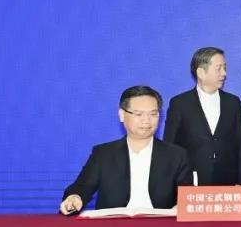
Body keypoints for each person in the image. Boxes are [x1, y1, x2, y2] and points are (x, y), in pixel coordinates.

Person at [59, 85, 192, 214]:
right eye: (139, 114)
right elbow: (81, 187)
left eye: (153, 114)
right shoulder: (103, 154)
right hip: (113, 226)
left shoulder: (176, 155)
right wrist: (74, 198)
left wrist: (183, 206)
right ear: (122, 115)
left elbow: (188, 196)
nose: (146, 120)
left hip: (160, 226)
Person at [163, 47, 241, 186]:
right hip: (191, 182)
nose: (224, 73)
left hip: (228, 182)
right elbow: (170, 145)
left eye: (225, 68)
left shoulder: (233, 102)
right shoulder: (180, 103)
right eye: (219, 68)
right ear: (201, 72)